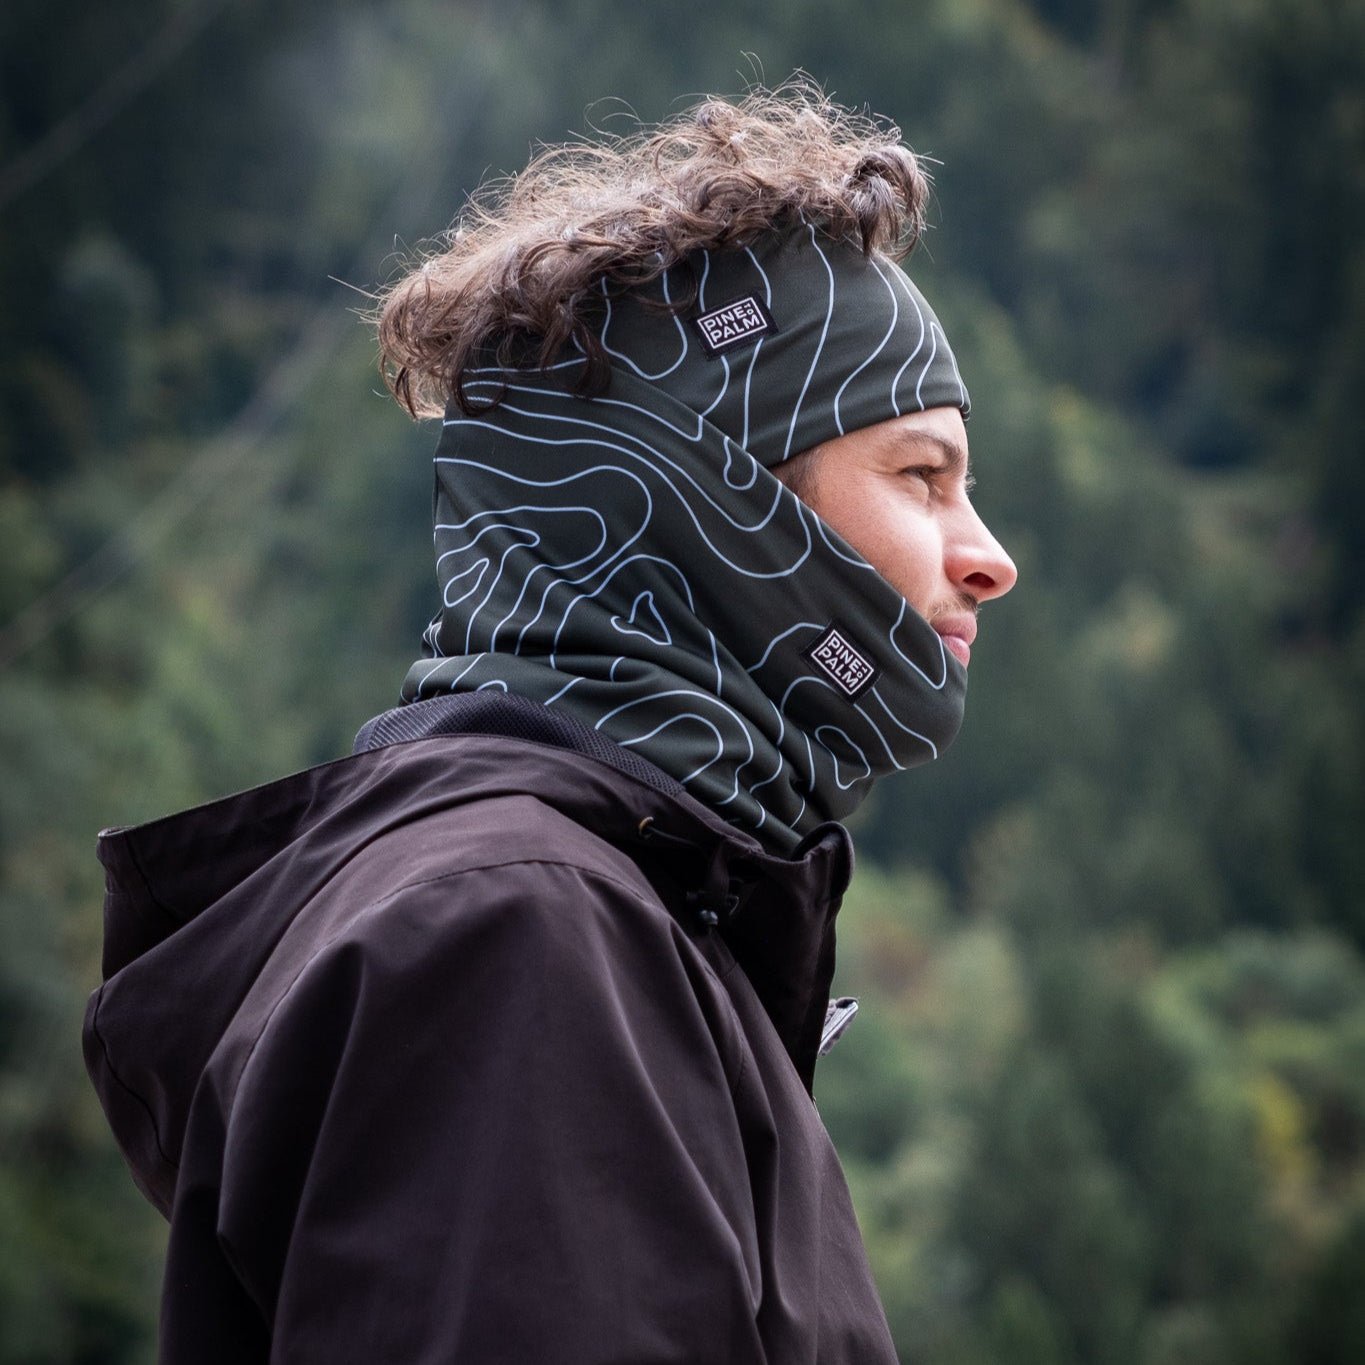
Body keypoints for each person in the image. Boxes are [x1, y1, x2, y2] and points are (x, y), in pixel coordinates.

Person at [83, 82, 1015, 1363]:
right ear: (703, 499)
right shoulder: (513, 939)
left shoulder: (603, 921)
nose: (989, 557)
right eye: (921, 476)